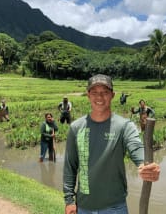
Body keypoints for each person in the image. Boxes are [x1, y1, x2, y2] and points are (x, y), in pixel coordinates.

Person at [63, 74, 160, 214]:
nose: (99, 97)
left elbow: (137, 148)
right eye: (94, 92)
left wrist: (146, 166)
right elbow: (69, 167)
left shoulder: (124, 126)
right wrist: (69, 200)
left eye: (105, 92)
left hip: (115, 208)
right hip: (84, 206)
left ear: (113, 95)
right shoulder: (76, 128)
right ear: (88, 95)